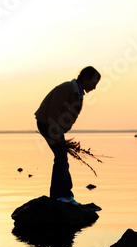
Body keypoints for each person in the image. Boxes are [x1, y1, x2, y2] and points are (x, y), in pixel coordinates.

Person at [35, 66, 101, 205]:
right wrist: (55, 134)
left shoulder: (78, 93)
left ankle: (64, 194)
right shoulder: (67, 88)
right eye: (94, 83)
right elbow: (54, 110)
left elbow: (72, 115)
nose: (94, 87)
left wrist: (61, 131)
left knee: (61, 158)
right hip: (48, 125)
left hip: (55, 127)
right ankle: (60, 196)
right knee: (61, 158)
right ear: (86, 78)